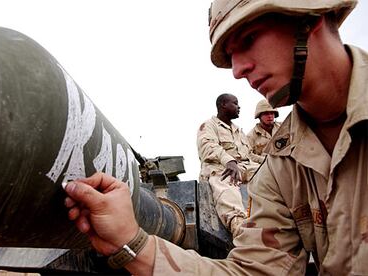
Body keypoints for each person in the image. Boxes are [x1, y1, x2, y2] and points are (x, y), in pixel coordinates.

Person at [64, 0, 368, 274]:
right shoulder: (281, 169)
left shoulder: (274, 158)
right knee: (224, 185)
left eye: (249, 38)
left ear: (309, 15)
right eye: (232, 55)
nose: (237, 69)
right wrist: (132, 242)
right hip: (220, 172)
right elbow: (256, 271)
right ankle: (237, 225)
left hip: (243, 168)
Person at [197, 93, 260, 234]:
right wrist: (229, 161)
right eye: (235, 103)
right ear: (223, 105)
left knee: (272, 173)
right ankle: (240, 228)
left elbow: (249, 155)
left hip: (244, 167)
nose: (239, 107)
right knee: (226, 184)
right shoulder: (209, 126)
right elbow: (208, 147)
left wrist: (270, 161)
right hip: (220, 168)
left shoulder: (238, 131)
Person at [247, 99, 281, 163]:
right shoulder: (251, 136)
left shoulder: (283, 128)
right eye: (266, 113)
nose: (270, 116)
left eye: (272, 113)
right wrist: (265, 160)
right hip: (265, 165)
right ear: (259, 116)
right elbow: (249, 155)